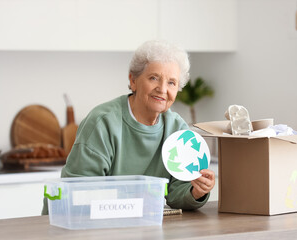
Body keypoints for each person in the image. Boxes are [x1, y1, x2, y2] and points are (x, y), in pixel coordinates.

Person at [42, 40, 215, 214]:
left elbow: (177, 194)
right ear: (133, 80)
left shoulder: (178, 129)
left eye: (172, 83)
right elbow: (79, 193)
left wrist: (196, 191)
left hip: (136, 225)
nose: (162, 89)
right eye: (154, 78)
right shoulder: (103, 123)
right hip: (71, 223)